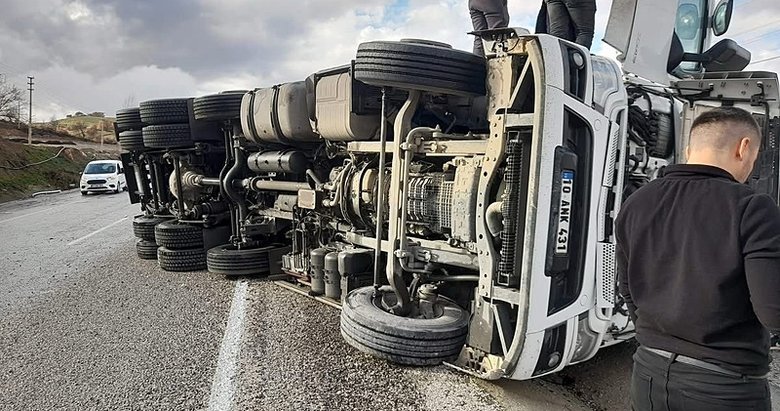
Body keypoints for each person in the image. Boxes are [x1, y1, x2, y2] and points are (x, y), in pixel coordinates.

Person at [616, 106, 779, 410]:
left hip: (648, 373)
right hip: (723, 387)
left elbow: (629, 290)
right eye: (754, 158)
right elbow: (773, 310)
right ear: (743, 148)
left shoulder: (637, 201)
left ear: (691, 148)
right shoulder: (753, 208)